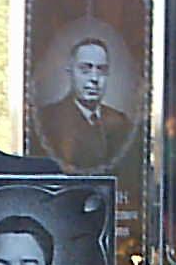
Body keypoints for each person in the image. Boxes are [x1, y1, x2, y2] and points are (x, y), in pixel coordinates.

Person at [35, 37, 133, 171]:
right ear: (70, 71)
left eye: (101, 70)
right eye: (85, 70)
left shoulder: (122, 123)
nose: (94, 79)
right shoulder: (47, 119)